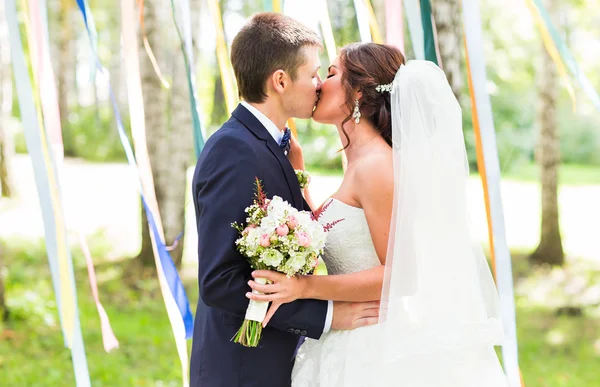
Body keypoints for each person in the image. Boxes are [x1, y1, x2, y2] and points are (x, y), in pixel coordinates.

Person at [245, 43, 511, 387]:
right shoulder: (359, 163)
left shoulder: (376, 167)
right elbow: (341, 234)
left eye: (330, 73)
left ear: (357, 91)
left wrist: (304, 287)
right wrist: (298, 173)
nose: (319, 84)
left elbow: (401, 273)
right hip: (348, 337)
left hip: (377, 346)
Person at [189, 13, 379, 387]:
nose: (319, 85)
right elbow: (220, 281)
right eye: (312, 75)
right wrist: (326, 317)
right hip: (240, 368)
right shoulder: (234, 150)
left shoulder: (272, 147)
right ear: (280, 81)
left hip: (270, 363)